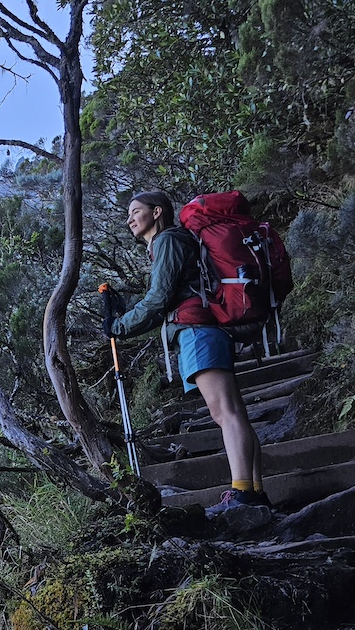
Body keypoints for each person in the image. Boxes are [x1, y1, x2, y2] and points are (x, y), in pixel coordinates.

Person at [107, 190, 270, 517]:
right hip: (206, 328)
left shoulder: (168, 240)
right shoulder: (173, 242)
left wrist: (119, 326)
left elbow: (159, 298)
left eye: (135, 211)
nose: (129, 219)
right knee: (233, 411)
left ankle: (243, 493)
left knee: (225, 413)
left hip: (197, 330)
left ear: (156, 212)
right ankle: (252, 489)